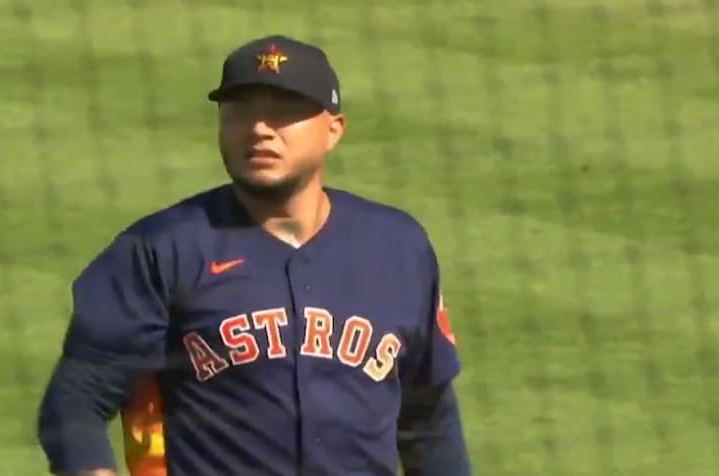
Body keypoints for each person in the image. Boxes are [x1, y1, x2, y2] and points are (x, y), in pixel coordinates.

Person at [36, 34, 473, 476]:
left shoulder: (397, 248)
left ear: (333, 129)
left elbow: (429, 422)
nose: (259, 128)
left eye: (283, 111)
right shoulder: (162, 249)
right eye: (240, 111)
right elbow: (75, 404)